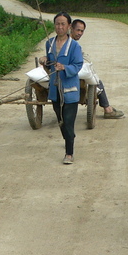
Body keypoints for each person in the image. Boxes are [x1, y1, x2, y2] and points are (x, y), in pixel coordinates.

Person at [39, 12, 84, 165]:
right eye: (57, 24)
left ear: (69, 26)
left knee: (68, 121)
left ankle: (69, 153)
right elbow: (49, 64)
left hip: (70, 90)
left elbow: (78, 65)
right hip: (55, 90)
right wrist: (45, 60)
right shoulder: (49, 43)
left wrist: (65, 67)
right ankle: (69, 138)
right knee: (60, 120)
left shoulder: (74, 46)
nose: (60, 27)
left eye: (63, 24)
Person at [70, 19, 124, 119]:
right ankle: (108, 109)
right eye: (78, 30)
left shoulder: (63, 41)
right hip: (70, 72)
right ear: (71, 28)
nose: (79, 33)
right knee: (97, 81)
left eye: (81, 31)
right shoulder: (72, 44)